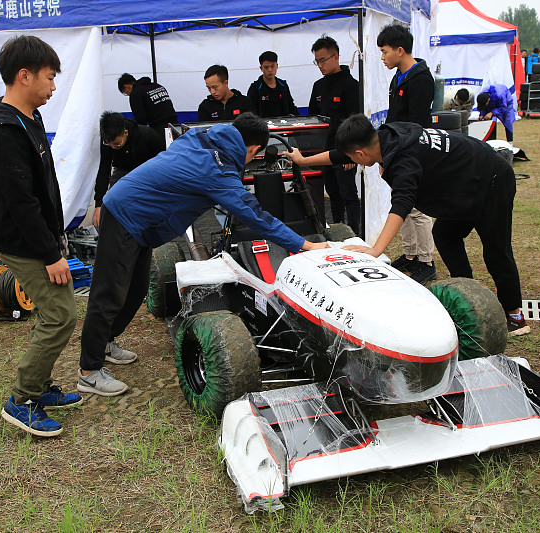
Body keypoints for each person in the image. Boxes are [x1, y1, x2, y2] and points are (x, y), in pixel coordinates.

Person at [78, 113, 330, 395]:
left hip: (141, 222)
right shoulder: (216, 170)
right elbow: (256, 216)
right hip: (125, 214)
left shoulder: (204, 137)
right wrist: (303, 244)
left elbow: (176, 159)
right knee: (109, 293)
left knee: (135, 290)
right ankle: (89, 371)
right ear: (253, 149)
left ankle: (106, 341)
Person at [286, 115, 530, 336]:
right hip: (465, 180)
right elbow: (340, 154)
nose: (351, 161)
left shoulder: (402, 160)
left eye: (353, 159)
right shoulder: (385, 136)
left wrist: (375, 250)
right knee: (445, 235)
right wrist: (303, 159)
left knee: (496, 248)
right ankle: (467, 293)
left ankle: (514, 315)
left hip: (492, 179)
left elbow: (401, 205)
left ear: (361, 154)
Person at [0, 35, 81, 438]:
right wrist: (51, 254)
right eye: (50, 78)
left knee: (59, 312)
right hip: (23, 241)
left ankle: (39, 385)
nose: (53, 87)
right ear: (24, 75)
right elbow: (21, 203)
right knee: (60, 315)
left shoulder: (26, 117)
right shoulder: (3, 132)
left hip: (37, 236)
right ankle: (22, 399)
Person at [377, 23, 437, 284]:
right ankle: (410, 255)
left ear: (400, 50)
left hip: (413, 152)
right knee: (403, 205)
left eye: (385, 51)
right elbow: (394, 119)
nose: (382, 57)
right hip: (396, 151)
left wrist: (406, 155)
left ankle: (427, 261)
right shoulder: (398, 76)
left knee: (419, 208)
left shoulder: (421, 78)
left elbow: (418, 124)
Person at [308, 35, 361, 234]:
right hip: (325, 151)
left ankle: (356, 233)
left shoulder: (350, 85)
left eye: (323, 60)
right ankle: (337, 230)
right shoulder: (318, 86)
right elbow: (313, 118)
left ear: (336, 57)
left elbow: (356, 122)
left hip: (345, 151)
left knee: (349, 194)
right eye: (317, 61)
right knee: (332, 194)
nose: (320, 65)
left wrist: (351, 153)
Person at [92, 112, 166, 228]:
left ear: (125, 133)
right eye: (109, 144)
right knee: (113, 199)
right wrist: (99, 204)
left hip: (148, 171)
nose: (112, 147)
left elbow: (164, 164)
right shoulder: (107, 140)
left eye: (116, 144)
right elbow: (104, 169)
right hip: (123, 169)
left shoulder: (147, 135)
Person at [246, 51, 299, 118]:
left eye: (272, 66)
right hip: (262, 126)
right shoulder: (255, 88)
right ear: (261, 68)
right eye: (266, 67)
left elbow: (291, 107)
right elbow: (251, 112)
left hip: (283, 125)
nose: (270, 70)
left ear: (277, 66)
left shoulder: (283, 85)